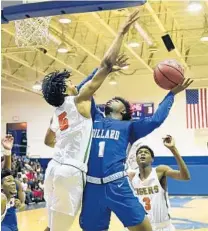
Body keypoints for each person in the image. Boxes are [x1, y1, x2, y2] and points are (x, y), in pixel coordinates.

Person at [42, 10, 139, 231]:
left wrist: (68, 143)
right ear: (64, 90)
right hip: (70, 171)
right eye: (68, 83)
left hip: (52, 169)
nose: (72, 83)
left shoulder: (57, 111)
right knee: (59, 229)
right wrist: (121, 32)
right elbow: (105, 64)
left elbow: (48, 141)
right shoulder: (79, 101)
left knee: (51, 226)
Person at [78, 74, 192, 230]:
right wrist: (103, 69)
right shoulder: (94, 118)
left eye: (117, 100)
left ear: (123, 110)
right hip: (91, 186)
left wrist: (171, 94)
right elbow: (82, 90)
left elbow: (156, 120)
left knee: (145, 229)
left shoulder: (129, 127)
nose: (112, 99)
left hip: (116, 183)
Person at [129, 135, 190, 231]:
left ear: (152, 159)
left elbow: (185, 176)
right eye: (140, 153)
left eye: (146, 152)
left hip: (163, 227)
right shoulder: (132, 176)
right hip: (143, 226)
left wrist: (173, 149)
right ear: (136, 159)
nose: (142, 154)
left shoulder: (160, 171)